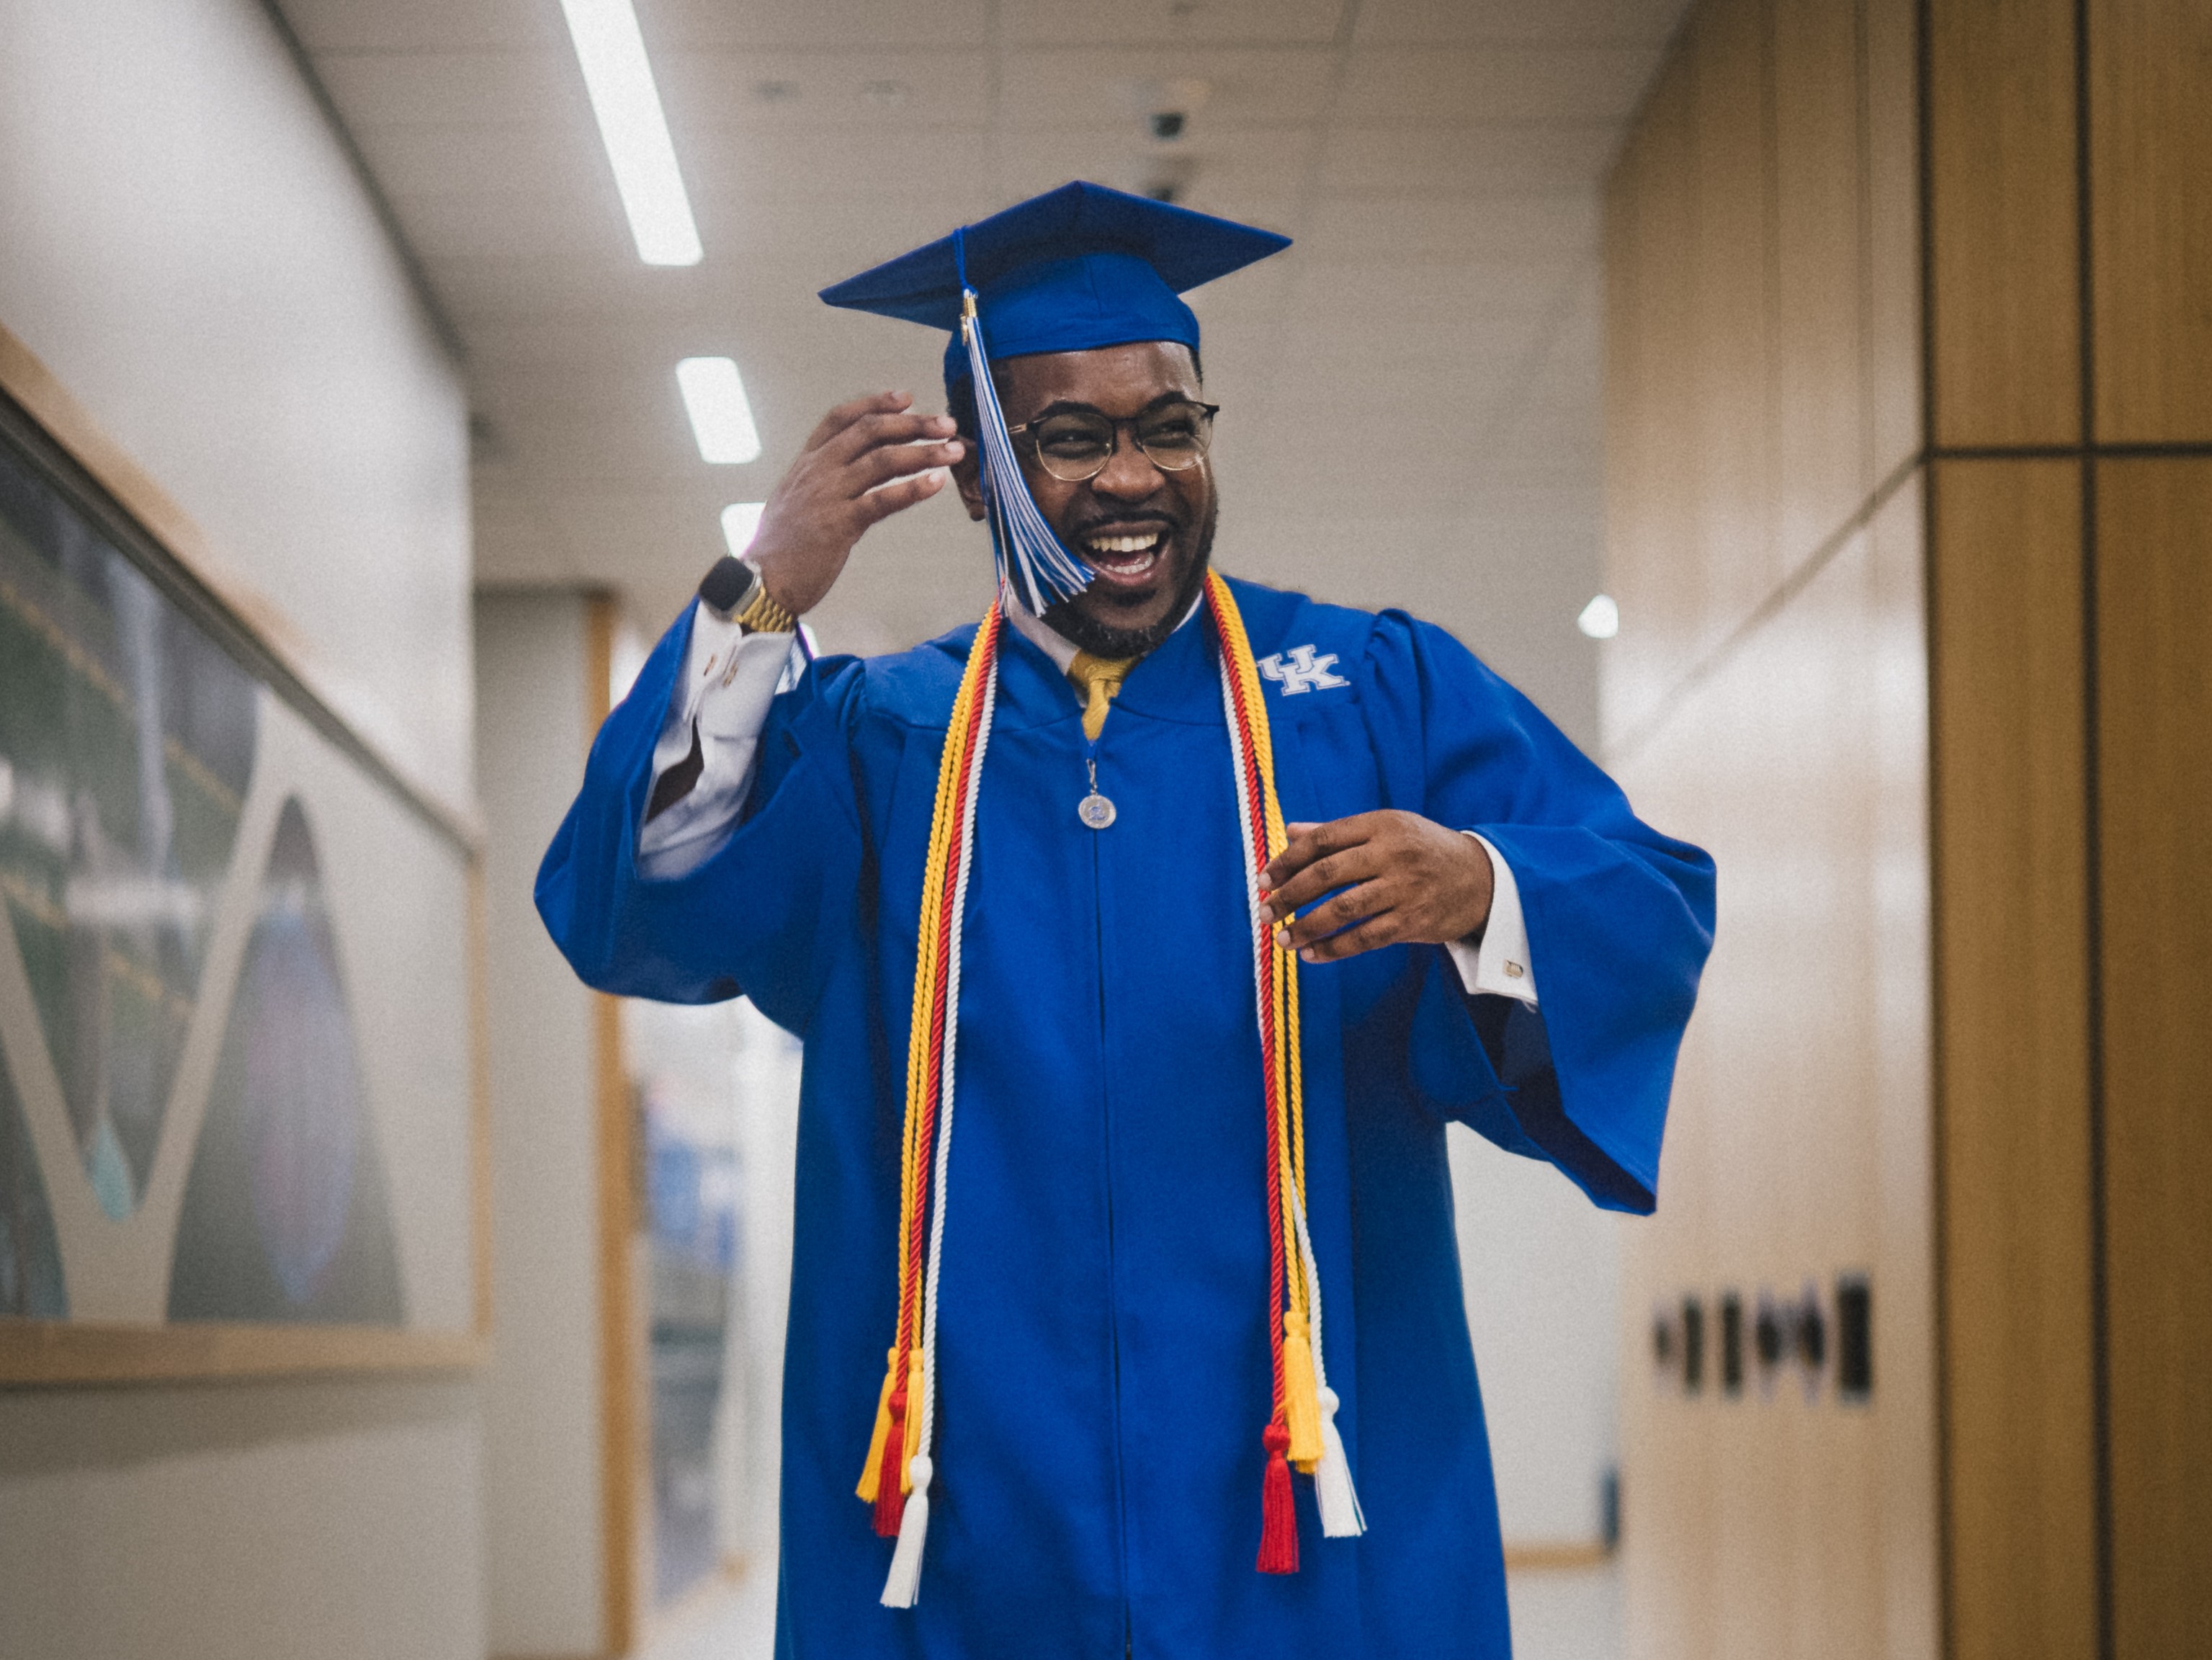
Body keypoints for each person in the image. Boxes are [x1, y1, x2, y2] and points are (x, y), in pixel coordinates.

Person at [538, 181, 1714, 1660]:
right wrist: (762, 597)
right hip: (967, 1503)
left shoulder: (1367, 695)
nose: (1133, 476)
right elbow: (633, 890)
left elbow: (1652, 897)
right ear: (979, 479)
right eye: (1071, 439)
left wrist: (1484, 889)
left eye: (1169, 425)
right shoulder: (878, 741)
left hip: (1304, 1485)